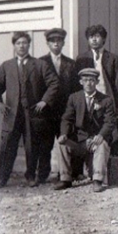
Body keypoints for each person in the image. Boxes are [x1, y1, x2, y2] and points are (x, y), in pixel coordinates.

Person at [0, 31, 59, 189]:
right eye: (18, 43)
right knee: (7, 146)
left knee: (32, 146)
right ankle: (2, 178)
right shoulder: (7, 66)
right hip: (12, 114)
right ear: (14, 46)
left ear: (29, 45)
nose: (22, 46)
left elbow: (54, 83)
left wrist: (44, 101)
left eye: (25, 43)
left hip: (33, 114)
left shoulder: (39, 64)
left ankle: (30, 176)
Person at [54, 68, 117, 193]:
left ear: (97, 82)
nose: (89, 83)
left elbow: (110, 122)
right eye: (86, 80)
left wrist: (101, 135)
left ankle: (97, 180)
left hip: (95, 139)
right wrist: (64, 134)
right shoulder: (74, 98)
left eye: (92, 80)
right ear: (81, 82)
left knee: (102, 144)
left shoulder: (106, 100)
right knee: (61, 143)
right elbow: (67, 118)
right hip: (79, 140)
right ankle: (65, 178)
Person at [39, 27, 77, 179]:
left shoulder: (71, 64)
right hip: (47, 111)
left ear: (63, 43)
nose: (56, 43)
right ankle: (43, 174)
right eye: (52, 41)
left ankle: (70, 174)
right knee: (45, 144)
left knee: (67, 141)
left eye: (59, 41)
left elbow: (75, 88)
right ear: (48, 43)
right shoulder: (40, 62)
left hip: (65, 111)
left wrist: (73, 109)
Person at [73, 24, 118, 109]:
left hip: (107, 100)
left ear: (104, 39)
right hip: (87, 101)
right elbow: (76, 83)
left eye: (97, 36)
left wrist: (117, 104)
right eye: (91, 37)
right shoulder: (81, 58)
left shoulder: (113, 58)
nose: (94, 39)